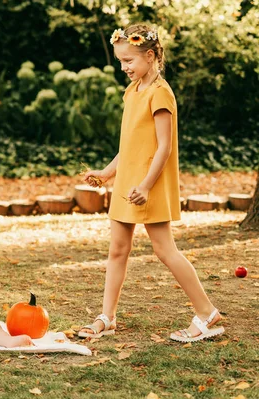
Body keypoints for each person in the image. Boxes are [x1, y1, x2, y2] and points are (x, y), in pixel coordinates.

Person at [79, 24, 224, 343]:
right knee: (117, 249)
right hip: (126, 185)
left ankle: (207, 313)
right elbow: (130, 144)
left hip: (150, 185)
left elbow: (164, 147)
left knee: (165, 249)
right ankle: (108, 316)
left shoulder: (161, 93)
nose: (124, 67)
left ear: (150, 55)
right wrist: (106, 173)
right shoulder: (132, 92)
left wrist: (145, 185)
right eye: (120, 61)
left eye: (128, 60)